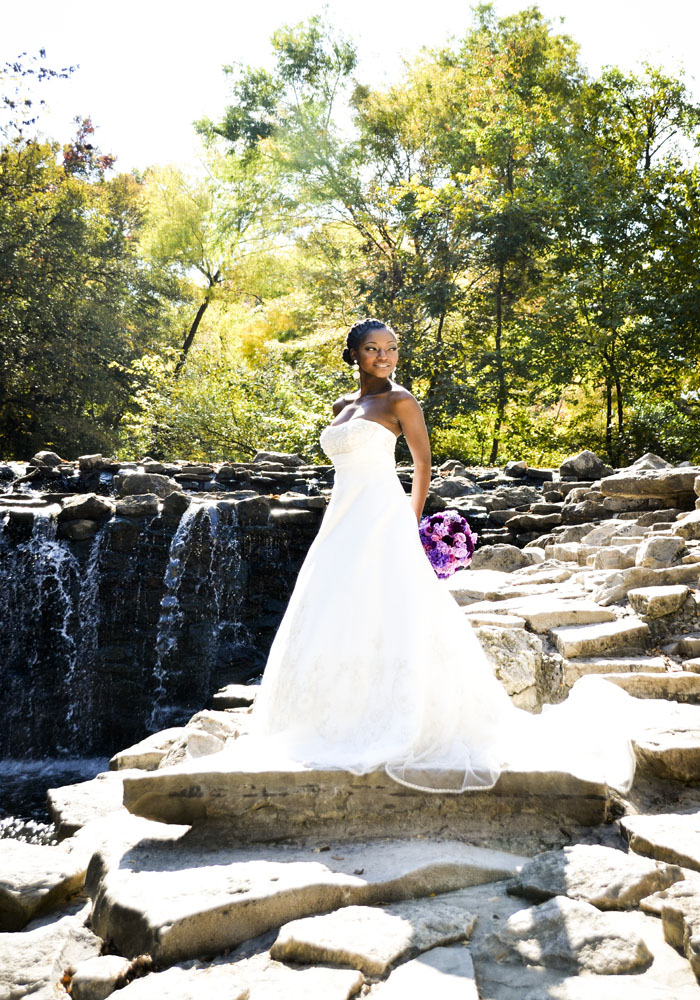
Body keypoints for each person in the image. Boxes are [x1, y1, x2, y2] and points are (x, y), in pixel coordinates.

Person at [245, 318, 638, 794]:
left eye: (391, 348)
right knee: (337, 608)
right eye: (373, 349)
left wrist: (409, 522)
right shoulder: (343, 406)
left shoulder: (400, 401)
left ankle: (404, 714)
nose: (384, 356)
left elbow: (422, 463)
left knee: (396, 607)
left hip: (384, 515)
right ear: (353, 354)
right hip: (342, 519)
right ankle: (336, 712)